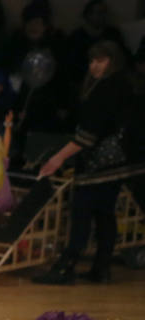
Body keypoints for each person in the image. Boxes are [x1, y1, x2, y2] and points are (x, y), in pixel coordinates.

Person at [33, 41, 136, 284]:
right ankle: (101, 267)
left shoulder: (107, 88)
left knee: (82, 211)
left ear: (113, 61)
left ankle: (66, 266)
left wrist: (58, 158)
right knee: (104, 214)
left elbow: (88, 134)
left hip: (101, 162)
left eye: (100, 60)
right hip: (120, 160)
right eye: (92, 61)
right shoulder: (122, 85)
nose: (94, 66)